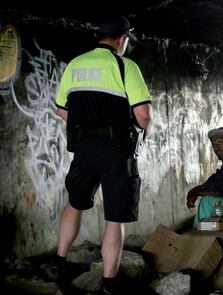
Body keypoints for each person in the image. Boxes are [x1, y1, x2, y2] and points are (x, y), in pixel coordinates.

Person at [49, 16, 153, 294]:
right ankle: (109, 282)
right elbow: (143, 115)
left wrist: (87, 121)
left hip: (84, 148)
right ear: (122, 39)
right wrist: (143, 129)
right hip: (117, 152)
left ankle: (59, 262)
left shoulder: (75, 64)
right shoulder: (125, 66)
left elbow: (61, 110)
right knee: (114, 217)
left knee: (74, 203)